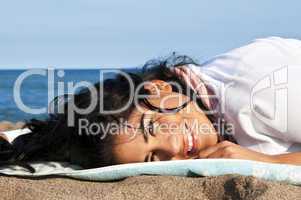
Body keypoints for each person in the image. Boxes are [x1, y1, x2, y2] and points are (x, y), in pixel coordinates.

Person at [0, 37, 301, 172]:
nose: (172, 148)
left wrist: (270, 164)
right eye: (153, 159)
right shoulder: (204, 103)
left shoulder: (258, 92)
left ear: (158, 88)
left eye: (152, 126)